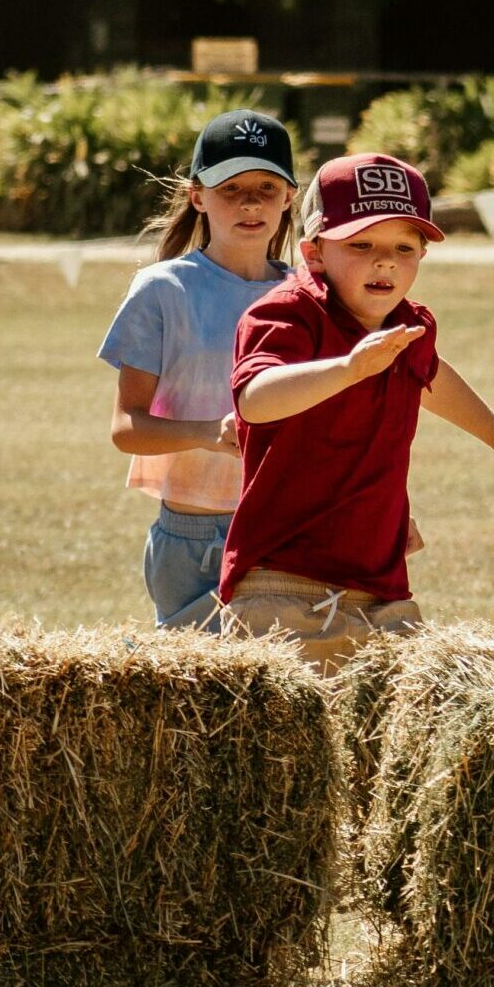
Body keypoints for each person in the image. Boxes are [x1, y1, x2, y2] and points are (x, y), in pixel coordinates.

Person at [217, 152, 494, 671]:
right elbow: (256, 399)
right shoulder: (285, 313)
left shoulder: (409, 324)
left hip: (381, 586)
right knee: (288, 748)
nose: (385, 261)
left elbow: (430, 376)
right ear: (314, 252)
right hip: (284, 583)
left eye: (404, 247)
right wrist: (349, 368)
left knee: (385, 744)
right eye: (361, 244)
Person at [99, 109, 299, 628]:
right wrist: (209, 433)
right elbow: (126, 429)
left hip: (294, 528)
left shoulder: (310, 297)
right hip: (196, 538)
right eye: (229, 188)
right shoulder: (163, 290)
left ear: (290, 197)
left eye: (265, 186)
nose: (250, 202)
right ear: (197, 196)